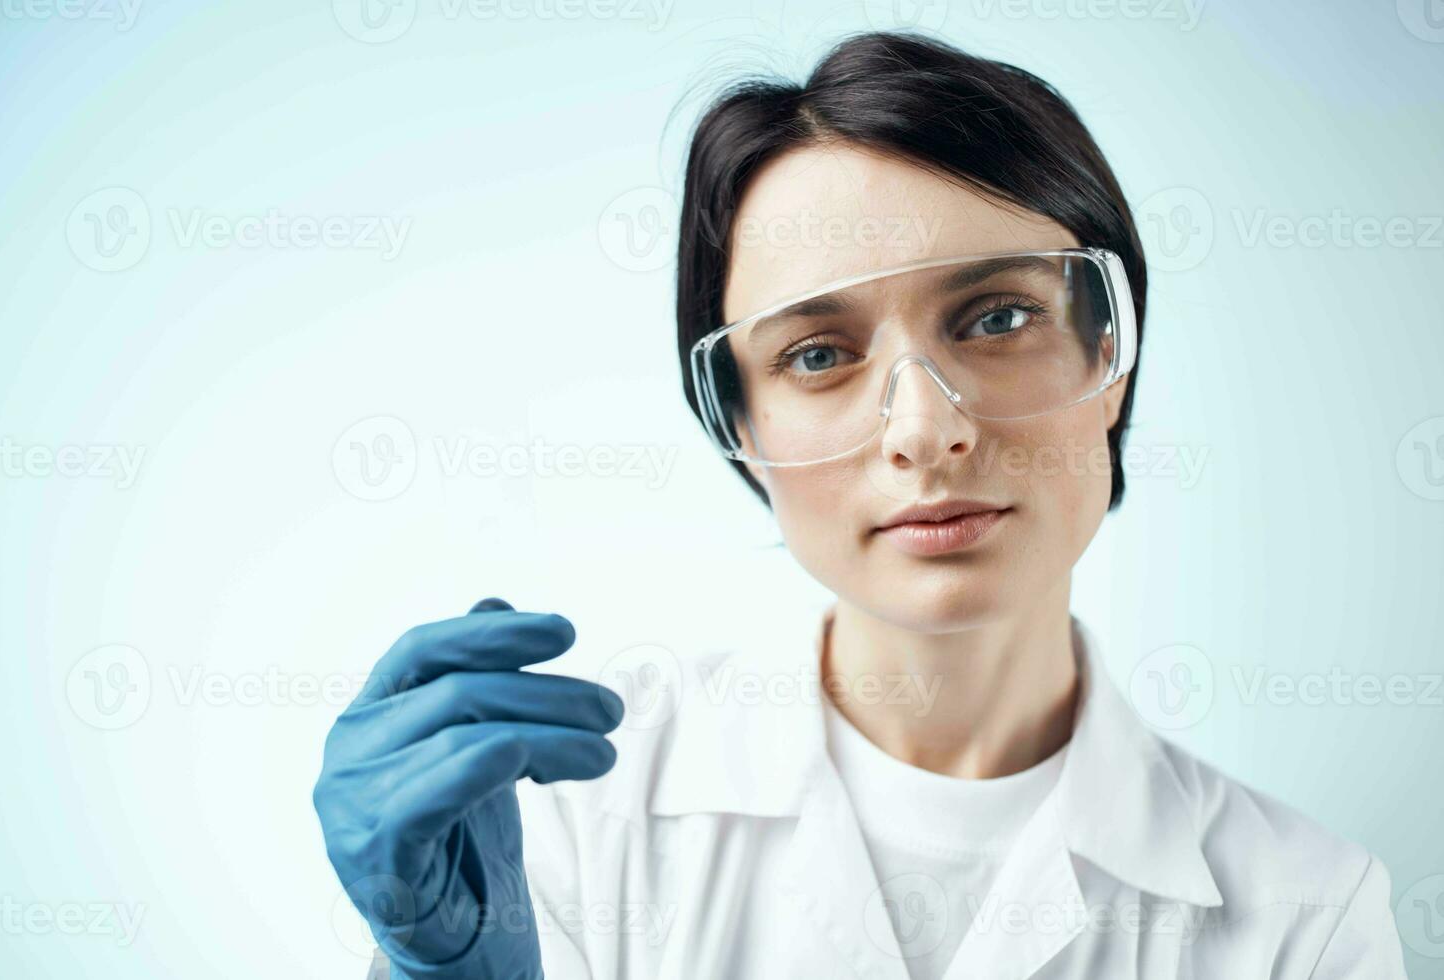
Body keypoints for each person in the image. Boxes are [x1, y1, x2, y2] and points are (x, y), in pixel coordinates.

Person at [312, 30, 1409, 980]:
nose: (924, 431)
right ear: (741, 424)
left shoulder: (1300, 913)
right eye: (820, 352)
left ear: (1111, 348)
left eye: (994, 318)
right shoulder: (571, 813)